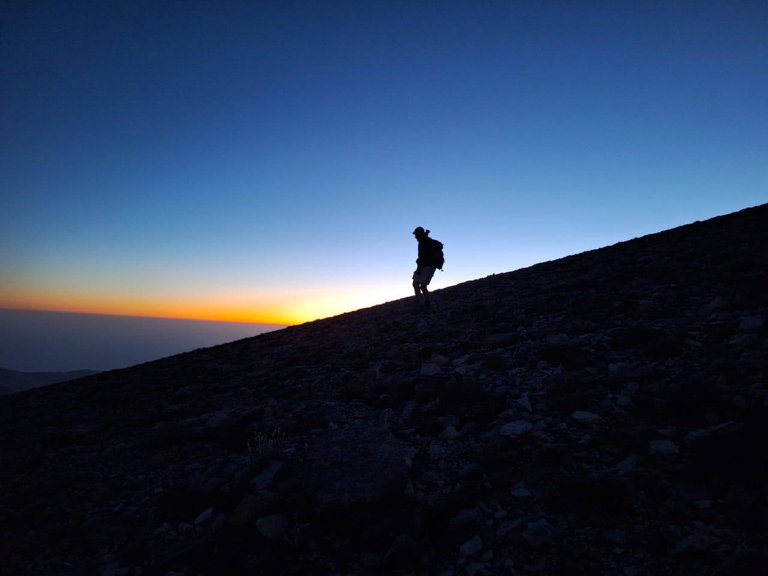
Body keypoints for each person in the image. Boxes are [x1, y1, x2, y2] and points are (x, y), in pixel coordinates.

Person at [412, 226, 437, 309]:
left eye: (416, 234)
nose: (415, 237)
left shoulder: (425, 241)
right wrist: (418, 268)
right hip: (423, 266)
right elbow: (421, 256)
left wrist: (419, 267)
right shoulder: (422, 241)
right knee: (416, 284)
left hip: (429, 266)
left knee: (422, 285)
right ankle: (418, 301)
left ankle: (426, 303)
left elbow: (424, 256)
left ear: (420, 234)